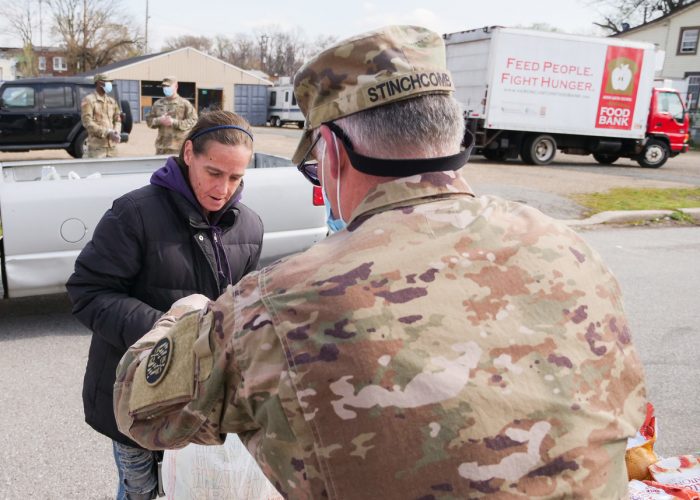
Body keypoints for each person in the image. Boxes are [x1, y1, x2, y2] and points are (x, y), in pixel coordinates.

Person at [113, 26, 647, 498]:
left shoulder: (282, 302)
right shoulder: (565, 246)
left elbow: (140, 407)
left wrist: (183, 312)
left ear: (333, 151)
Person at [67, 110, 263, 499]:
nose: (223, 188)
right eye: (214, 172)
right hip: (136, 395)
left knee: (196, 490)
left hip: (202, 403)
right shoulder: (134, 213)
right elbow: (88, 292)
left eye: (235, 177)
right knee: (139, 490)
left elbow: (241, 306)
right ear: (188, 153)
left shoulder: (249, 226)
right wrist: (174, 332)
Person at [146, 76, 198, 155]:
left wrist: (174, 122)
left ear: (176, 86)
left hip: (178, 148)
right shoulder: (158, 104)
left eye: (168, 86)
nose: (166, 88)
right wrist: (159, 120)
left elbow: (193, 120)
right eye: (164, 86)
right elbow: (149, 121)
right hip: (161, 148)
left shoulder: (184, 104)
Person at [81, 73, 121, 158]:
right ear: (99, 83)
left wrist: (116, 132)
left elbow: (117, 119)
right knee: (97, 171)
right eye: (108, 82)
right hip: (97, 149)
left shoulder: (112, 101)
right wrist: (108, 132)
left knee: (114, 170)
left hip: (112, 147)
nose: (110, 84)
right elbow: (87, 122)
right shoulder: (89, 100)